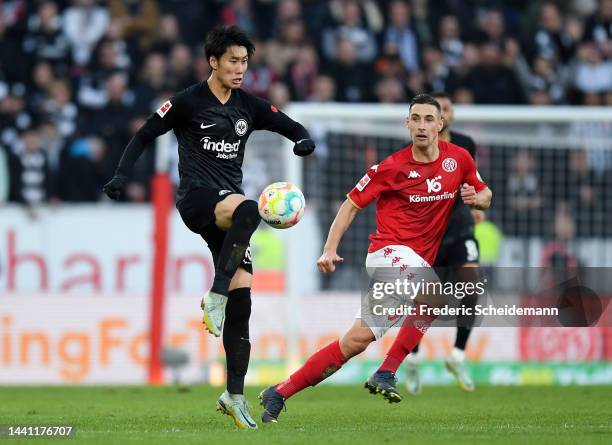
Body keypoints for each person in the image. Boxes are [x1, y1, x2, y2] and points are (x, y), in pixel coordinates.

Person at [102, 25, 315, 430]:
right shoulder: (187, 102)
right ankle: (214, 294)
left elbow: (289, 126)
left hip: (231, 216)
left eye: (245, 62)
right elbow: (145, 134)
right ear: (213, 62)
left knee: (244, 303)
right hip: (199, 200)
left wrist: (303, 140)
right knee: (250, 210)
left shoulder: (248, 106)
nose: (240, 69)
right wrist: (120, 175)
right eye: (233, 61)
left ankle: (234, 395)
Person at [260, 94, 491, 423]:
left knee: (354, 342)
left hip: (412, 265)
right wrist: (329, 248)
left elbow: (485, 193)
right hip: (388, 252)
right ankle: (387, 371)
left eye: (429, 119)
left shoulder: (460, 159)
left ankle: (280, 392)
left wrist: (477, 199)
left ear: (441, 125)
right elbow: (351, 204)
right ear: (407, 124)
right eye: (416, 119)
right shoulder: (391, 167)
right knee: (435, 293)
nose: (422, 126)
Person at [404, 92, 482, 395]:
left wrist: (477, 204)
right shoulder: (414, 150)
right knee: (427, 299)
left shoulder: (465, 146)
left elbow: (473, 180)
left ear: (444, 117)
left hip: (461, 227)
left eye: (444, 109)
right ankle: (411, 356)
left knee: (471, 281)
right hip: (430, 232)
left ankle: (458, 355)